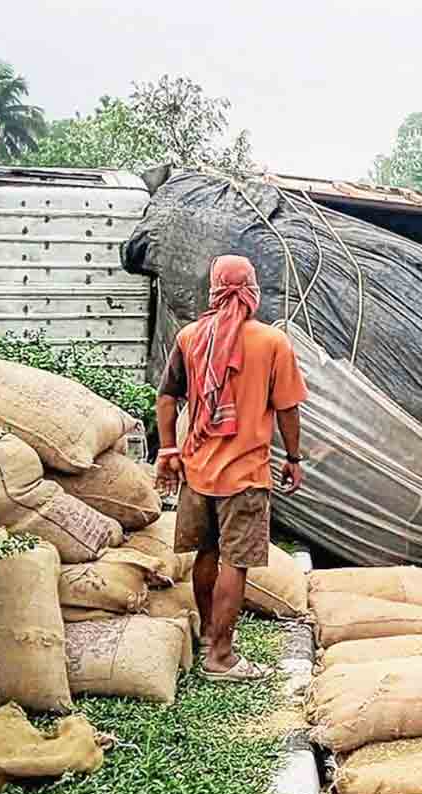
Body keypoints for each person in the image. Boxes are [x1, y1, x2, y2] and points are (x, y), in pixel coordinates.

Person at [156, 255, 308, 684]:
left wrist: (169, 447)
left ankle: (208, 636)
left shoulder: (190, 338)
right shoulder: (272, 342)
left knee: (206, 554)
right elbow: (287, 409)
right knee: (234, 563)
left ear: (214, 289)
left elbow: (167, 397)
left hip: (197, 470)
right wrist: (294, 459)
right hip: (245, 474)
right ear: (252, 290)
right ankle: (221, 656)